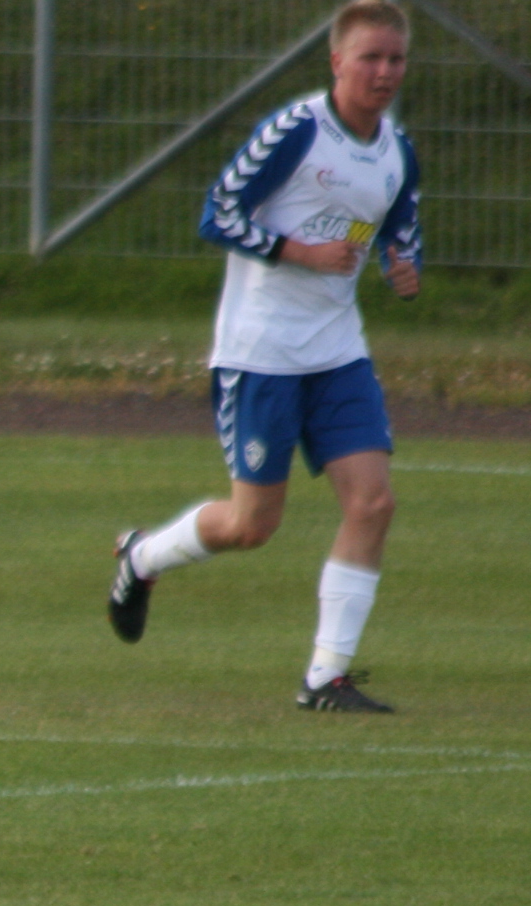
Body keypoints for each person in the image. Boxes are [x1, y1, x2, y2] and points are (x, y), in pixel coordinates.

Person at [107, 0, 422, 713]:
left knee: (373, 502)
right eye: (370, 57)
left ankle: (326, 678)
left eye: (396, 58)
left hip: (338, 352)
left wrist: (404, 266)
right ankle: (143, 556)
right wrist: (301, 252)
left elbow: (402, 227)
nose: (384, 71)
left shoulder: (398, 150)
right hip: (262, 352)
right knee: (252, 525)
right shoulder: (295, 131)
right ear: (337, 61)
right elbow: (218, 212)